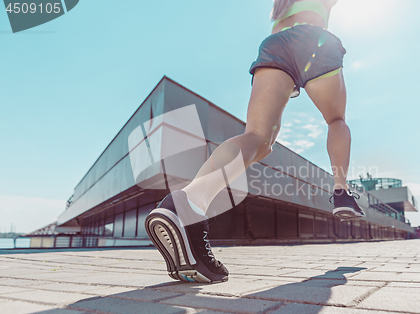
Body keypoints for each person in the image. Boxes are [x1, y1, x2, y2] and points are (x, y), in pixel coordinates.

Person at [145, 0, 364, 283]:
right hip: (314, 39)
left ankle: (189, 202)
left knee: (257, 138)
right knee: (336, 120)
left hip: (275, 44)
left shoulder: (280, 5)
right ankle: (341, 190)